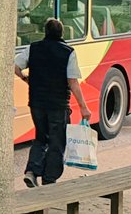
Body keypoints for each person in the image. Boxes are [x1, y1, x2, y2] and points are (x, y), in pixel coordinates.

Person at [14, 17, 91, 188]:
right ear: (62, 33)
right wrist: (83, 107)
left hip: (36, 103)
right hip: (57, 104)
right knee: (57, 142)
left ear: (45, 32)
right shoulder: (68, 52)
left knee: (41, 137)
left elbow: (16, 66)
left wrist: (26, 79)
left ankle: (31, 171)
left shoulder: (33, 48)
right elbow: (72, 82)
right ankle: (49, 180)